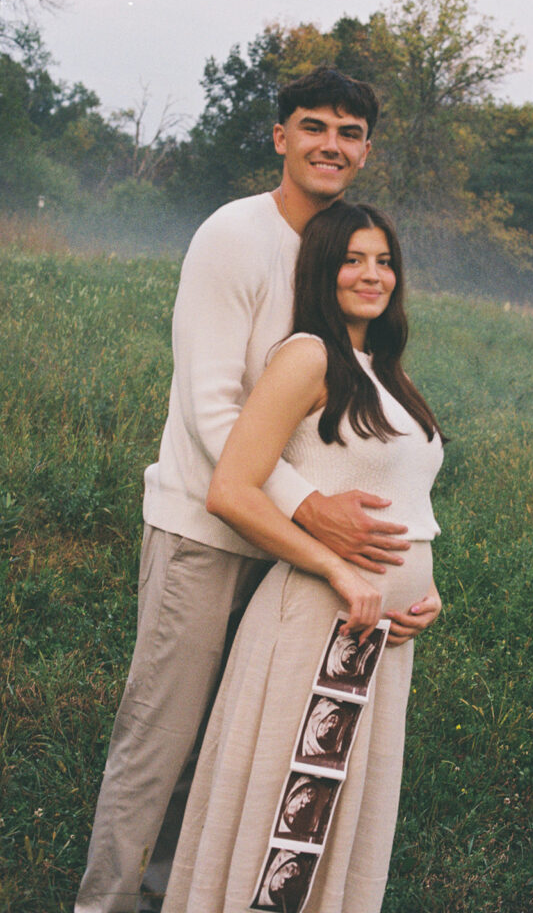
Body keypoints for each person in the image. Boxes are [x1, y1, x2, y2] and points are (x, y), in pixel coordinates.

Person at [75, 68, 441, 913]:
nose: (330, 145)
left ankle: (182, 896)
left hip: (297, 565)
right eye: (312, 127)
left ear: (365, 151)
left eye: (348, 134)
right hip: (208, 530)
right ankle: (104, 904)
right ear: (280, 137)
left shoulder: (342, 255)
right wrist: (310, 512)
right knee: (161, 743)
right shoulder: (234, 236)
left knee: (233, 751)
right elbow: (212, 406)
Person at [161, 201, 444, 913]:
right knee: (287, 810)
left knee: (341, 805)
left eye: (383, 261)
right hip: (319, 621)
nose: (371, 274)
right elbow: (231, 489)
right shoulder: (308, 356)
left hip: (380, 635)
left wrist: (424, 594)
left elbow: (408, 507)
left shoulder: (383, 370)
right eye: (352, 259)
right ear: (322, 269)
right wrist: (337, 567)